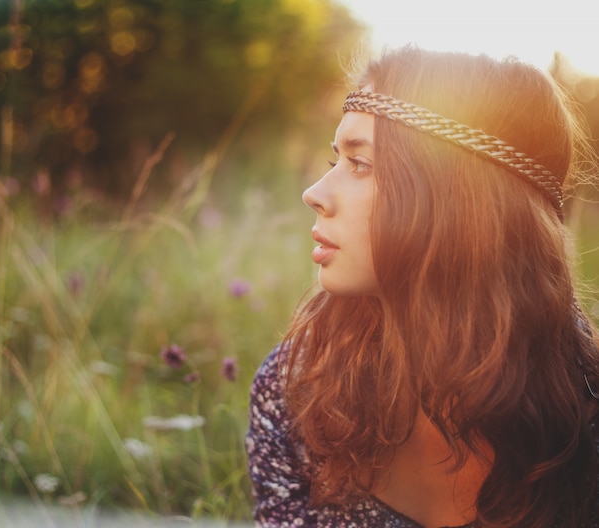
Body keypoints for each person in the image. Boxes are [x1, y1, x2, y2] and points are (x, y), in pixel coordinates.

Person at [245, 45, 599, 528]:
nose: (315, 194)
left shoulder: (582, 418)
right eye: (336, 161)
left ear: (458, 199)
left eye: (361, 164)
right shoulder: (297, 392)